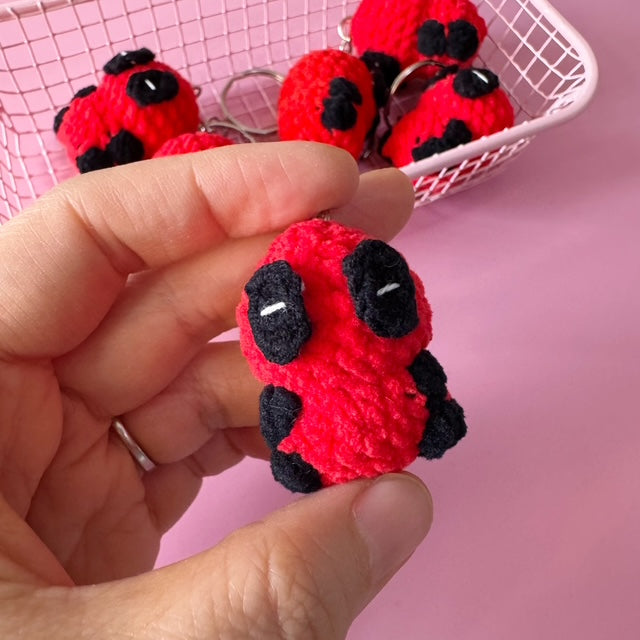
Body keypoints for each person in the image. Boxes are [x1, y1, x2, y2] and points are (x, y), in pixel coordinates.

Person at [0, 142, 433, 638]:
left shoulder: (393, 363)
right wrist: (295, 455)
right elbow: (279, 412)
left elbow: (419, 377)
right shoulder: (291, 386)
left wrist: (432, 411)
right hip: (324, 445)